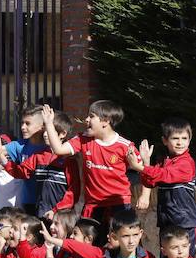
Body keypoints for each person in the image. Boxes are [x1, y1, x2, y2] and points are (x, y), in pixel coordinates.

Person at [40, 101, 143, 241]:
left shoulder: (125, 146)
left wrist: (145, 196)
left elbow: (144, 171)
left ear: (105, 121)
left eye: (91, 116)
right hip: (93, 204)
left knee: (120, 243)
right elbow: (58, 149)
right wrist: (49, 124)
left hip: (119, 204)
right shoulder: (83, 139)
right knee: (89, 243)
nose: (86, 119)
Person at [137, 117, 196, 249]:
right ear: (165, 140)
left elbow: (164, 175)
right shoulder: (164, 161)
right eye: (175, 138)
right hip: (166, 222)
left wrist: (141, 168)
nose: (180, 143)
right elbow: (150, 181)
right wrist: (146, 162)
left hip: (185, 224)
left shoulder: (186, 163)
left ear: (190, 139)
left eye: (184, 138)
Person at [0, 111, 75, 220]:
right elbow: (21, 172)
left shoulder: (69, 160)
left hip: (62, 216)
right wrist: (4, 160)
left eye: (49, 130)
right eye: (44, 130)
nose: (45, 134)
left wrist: (56, 210)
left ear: (62, 134)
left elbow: (73, 191)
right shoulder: (38, 156)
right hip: (40, 212)